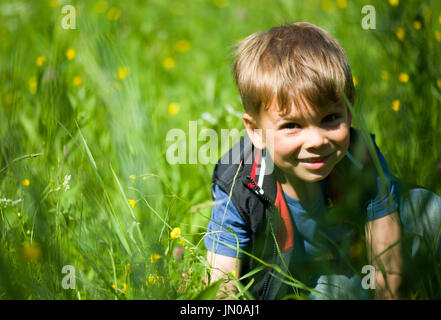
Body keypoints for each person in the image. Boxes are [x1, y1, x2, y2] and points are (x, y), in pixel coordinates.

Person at [204, 22, 441, 300]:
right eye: (292, 125)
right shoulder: (239, 182)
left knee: (432, 212)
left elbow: (386, 259)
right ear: (256, 131)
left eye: (330, 118)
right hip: (304, 273)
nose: (316, 141)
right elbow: (221, 285)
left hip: (358, 247)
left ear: (349, 111)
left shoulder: (359, 155)